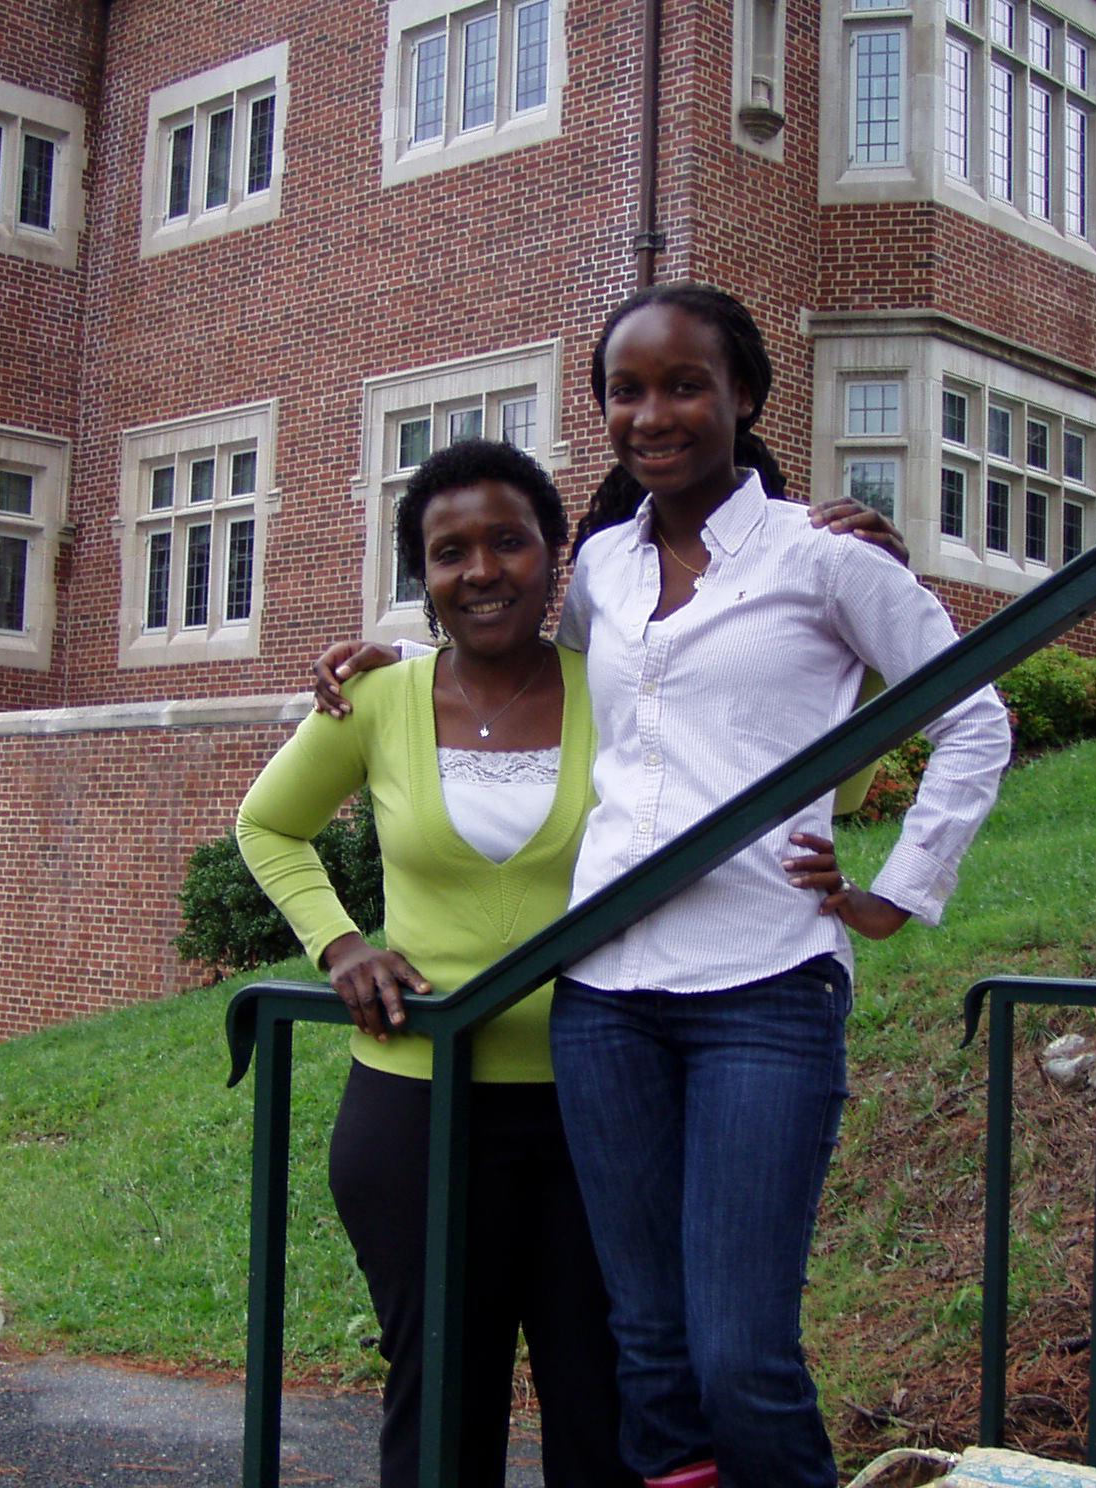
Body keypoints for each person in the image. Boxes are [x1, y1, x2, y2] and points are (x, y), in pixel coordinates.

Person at [316, 285, 1010, 1488]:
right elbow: (529, 662)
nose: (654, 413)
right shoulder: (603, 570)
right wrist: (401, 663)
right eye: (626, 391)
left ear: (744, 396)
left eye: (684, 384)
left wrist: (899, 890)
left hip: (761, 987)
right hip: (603, 998)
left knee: (738, 1353)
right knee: (646, 1352)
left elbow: (976, 716)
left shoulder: (822, 559)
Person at [235, 440, 636, 1488]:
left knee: (601, 1408)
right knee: (441, 1409)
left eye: (509, 541)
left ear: (556, 557)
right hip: (416, 1110)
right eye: (449, 551)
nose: (482, 570)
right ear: (422, 576)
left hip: (596, 1102)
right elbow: (268, 827)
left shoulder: (625, 695)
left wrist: (857, 632)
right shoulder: (375, 702)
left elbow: (829, 776)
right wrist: (341, 943)